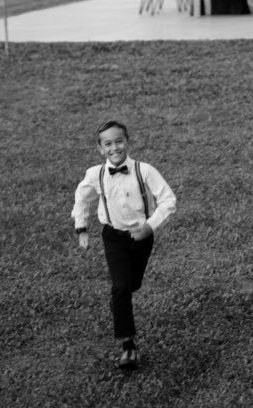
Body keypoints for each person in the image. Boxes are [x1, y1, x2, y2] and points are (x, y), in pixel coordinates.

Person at [72, 120, 177, 370]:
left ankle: (121, 299)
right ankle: (128, 348)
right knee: (120, 288)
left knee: (132, 285)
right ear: (100, 149)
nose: (115, 147)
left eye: (119, 141)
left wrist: (151, 225)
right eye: (108, 144)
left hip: (142, 238)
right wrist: (81, 227)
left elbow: (168, 200)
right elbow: (81, 197)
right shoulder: (95, 175)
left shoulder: (145, 171)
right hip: (114, 237)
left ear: (127, 142)